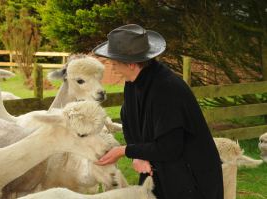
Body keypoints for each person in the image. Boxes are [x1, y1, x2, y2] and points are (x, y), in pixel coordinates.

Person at [93, 24, 223, 199]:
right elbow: (128, 119)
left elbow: (169, 148)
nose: (113, 67)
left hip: (191, 179)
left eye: (114, 63)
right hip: (158, 168)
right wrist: (138, 155)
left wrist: (125, 151)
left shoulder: (166, 89)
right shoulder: (133, 81)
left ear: (131, 64)